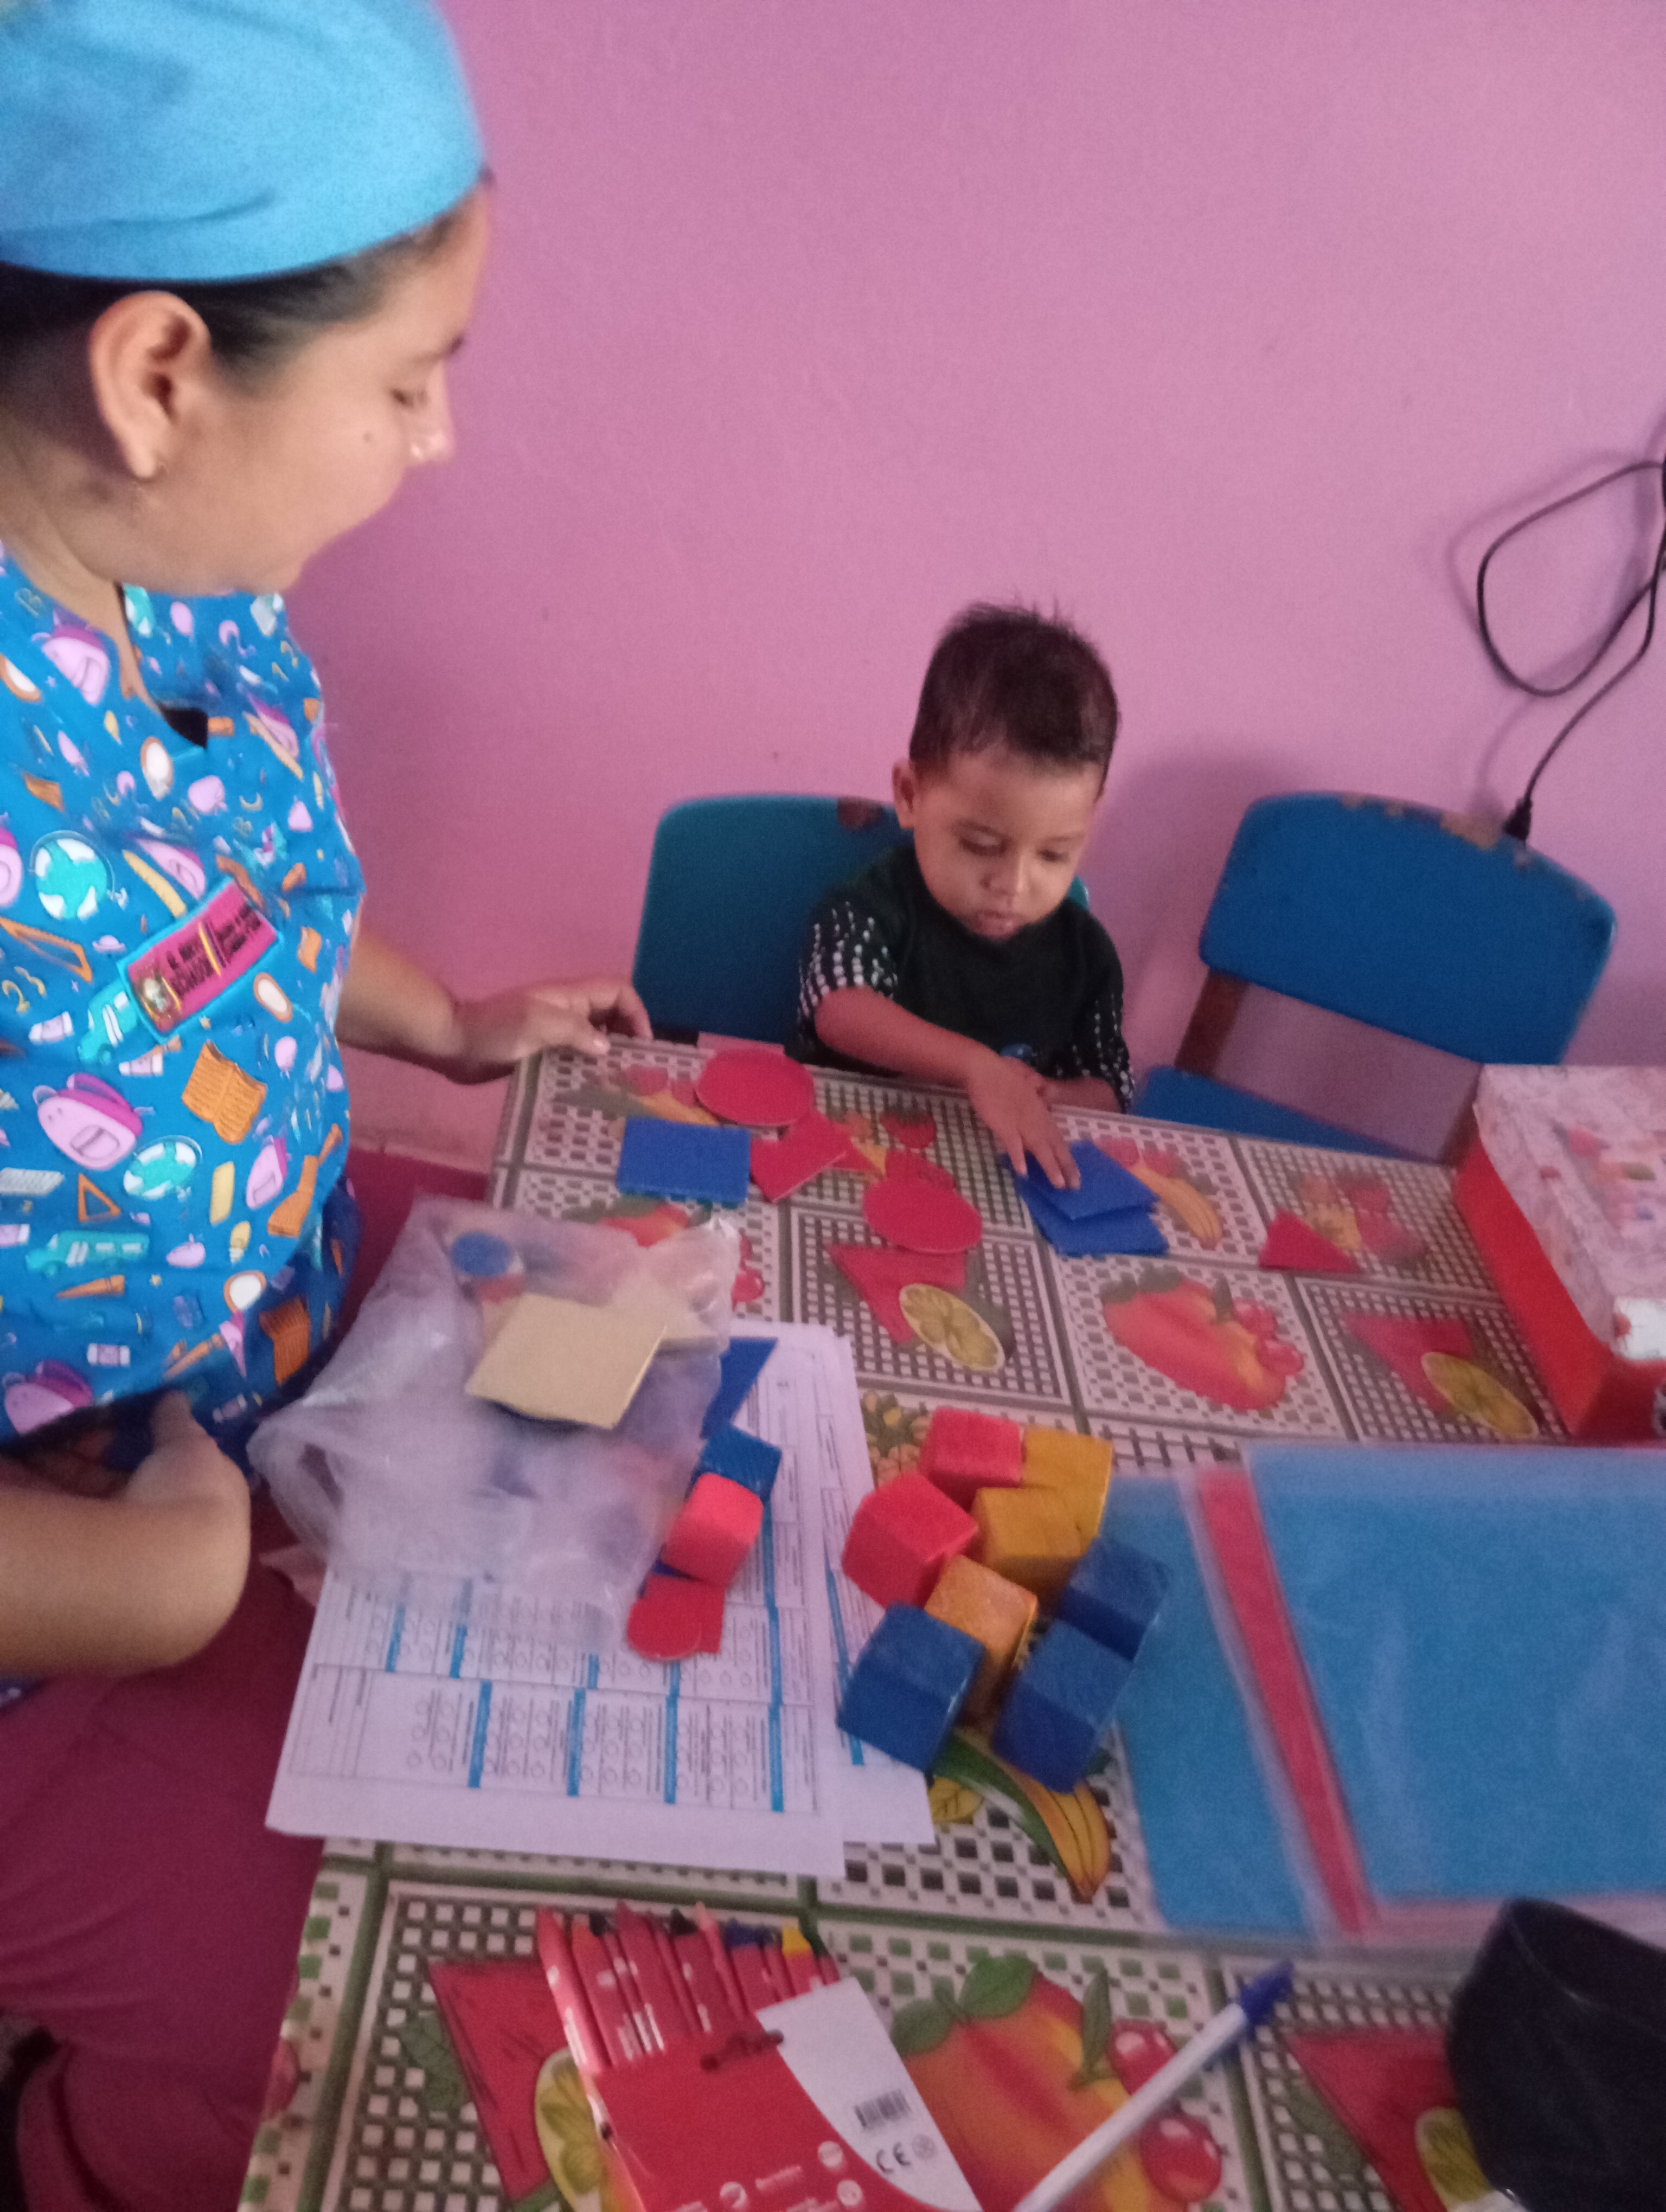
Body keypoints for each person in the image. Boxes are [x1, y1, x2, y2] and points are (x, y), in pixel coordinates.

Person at [0, 5, 648, 2204]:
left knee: (636, 1380)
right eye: (407, 379)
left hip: (254, 1355)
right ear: (157, 373)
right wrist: (154, 1587)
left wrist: (434, 1021)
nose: (440, 439)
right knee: (386, 2012)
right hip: (68, 1607)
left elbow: (227, 903)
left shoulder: (175, 586)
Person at [793, 605, 1130, 1187]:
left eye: (1054, 854)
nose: (1014, 886)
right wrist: (976, 1067)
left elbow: (1112, 1089)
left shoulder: (1086, 955)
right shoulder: (872, 906)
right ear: (910, 795)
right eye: (980, 845)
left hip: (989, 1181)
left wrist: (1053, 1096)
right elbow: (840, 1010)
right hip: (844, 1160)